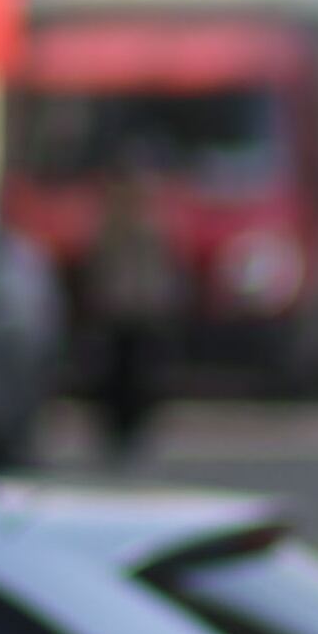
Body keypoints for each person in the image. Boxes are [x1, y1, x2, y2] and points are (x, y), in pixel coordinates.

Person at [82, 152, 184, 465]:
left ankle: (134, 431)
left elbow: (162, 267)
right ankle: (117, 432)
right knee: (115, 376)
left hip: (141, 311)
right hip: (120, 311)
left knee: (141, 376)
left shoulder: (148, 223)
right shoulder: (113, 223)